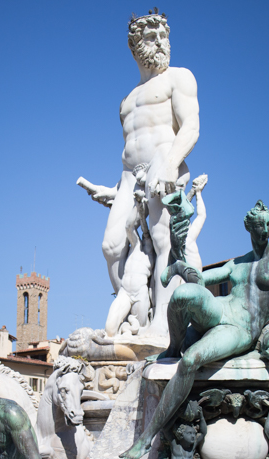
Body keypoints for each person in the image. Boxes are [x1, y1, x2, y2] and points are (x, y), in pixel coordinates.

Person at [120, 201, 269, 459]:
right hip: (222, 308)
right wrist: (179, 262)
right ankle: (172, 348)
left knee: (191, 360)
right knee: (184, 294)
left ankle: (146, 438)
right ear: (248, 227)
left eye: (268, 225)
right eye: (259, 225)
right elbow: (202, 280)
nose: (264, 230)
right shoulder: (237, 263)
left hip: (240, 328)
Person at [78, 11, 200, 337]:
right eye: (151, 37)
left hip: (164, 159)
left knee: (163, 240)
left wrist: (172, 163)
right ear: (134, 47)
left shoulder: (179, 78)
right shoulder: (126, 101)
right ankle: (136, 314)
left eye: (164, 36)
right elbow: (132, 149)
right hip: (130, 176)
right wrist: (114, 189)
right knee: (111, 246)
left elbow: (191, 126)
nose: (160, 43)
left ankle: (162, 323)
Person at [104, 189, 154, 337]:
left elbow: (146, 232)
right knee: (110, 328)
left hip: (140, 294)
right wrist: (138, 205)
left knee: (140, 332)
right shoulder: (136, 245)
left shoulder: (155, 255)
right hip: (125, 292)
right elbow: (129, 227)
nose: (146, 236)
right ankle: (122, 331)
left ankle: (127, 329)